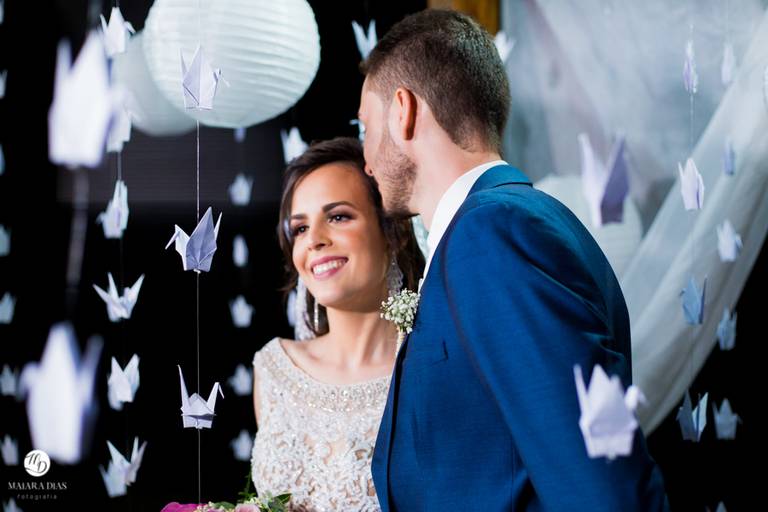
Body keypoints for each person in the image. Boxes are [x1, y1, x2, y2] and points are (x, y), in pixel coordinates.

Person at [357, 9, 669, 511]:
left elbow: (595, 483)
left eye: (365, 127)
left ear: (402, 111)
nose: (366, 159)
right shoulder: (497, 228)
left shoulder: (493, 234)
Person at [250, 137, 425, 511]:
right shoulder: (273, 370)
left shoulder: (427, 369)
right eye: (299, 228)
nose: (314, 240)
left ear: (393, 234)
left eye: (338, 216)